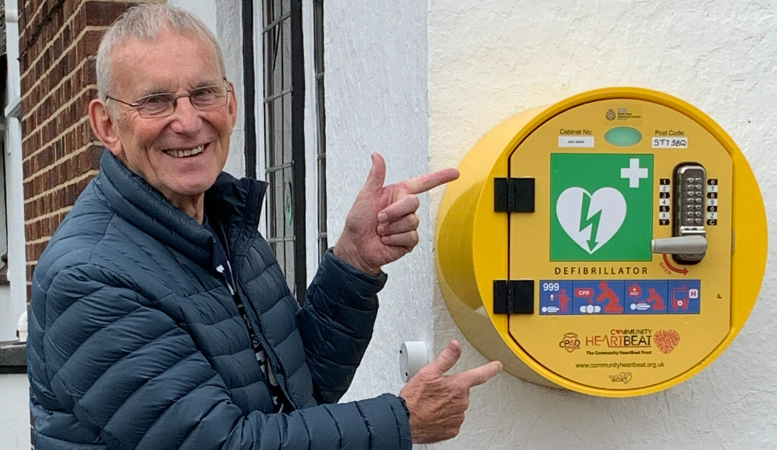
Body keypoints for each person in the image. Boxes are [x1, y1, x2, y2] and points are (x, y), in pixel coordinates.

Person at [26, 4, 502, 450]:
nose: (188, 121)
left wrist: (353, 262)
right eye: (156, 101)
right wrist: (400, 420)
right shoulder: (89, 278)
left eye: (204, 93)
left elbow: (301, 390)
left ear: (230, 105)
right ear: (107, 125)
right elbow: (225, 442)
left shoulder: (223, 224)